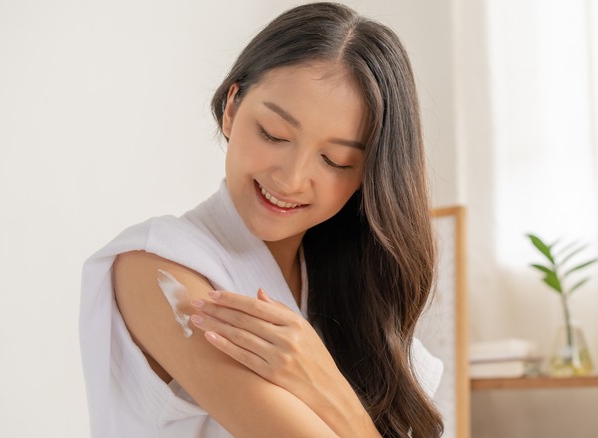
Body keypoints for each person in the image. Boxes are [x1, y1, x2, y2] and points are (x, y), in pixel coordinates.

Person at [79, 2, 445, 437]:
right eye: (274, 134)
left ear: (369, 174)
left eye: (335, 160)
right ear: (232, 108)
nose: (290, 180)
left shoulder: (360, 297)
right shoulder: (156, 265)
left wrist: (326, 383)